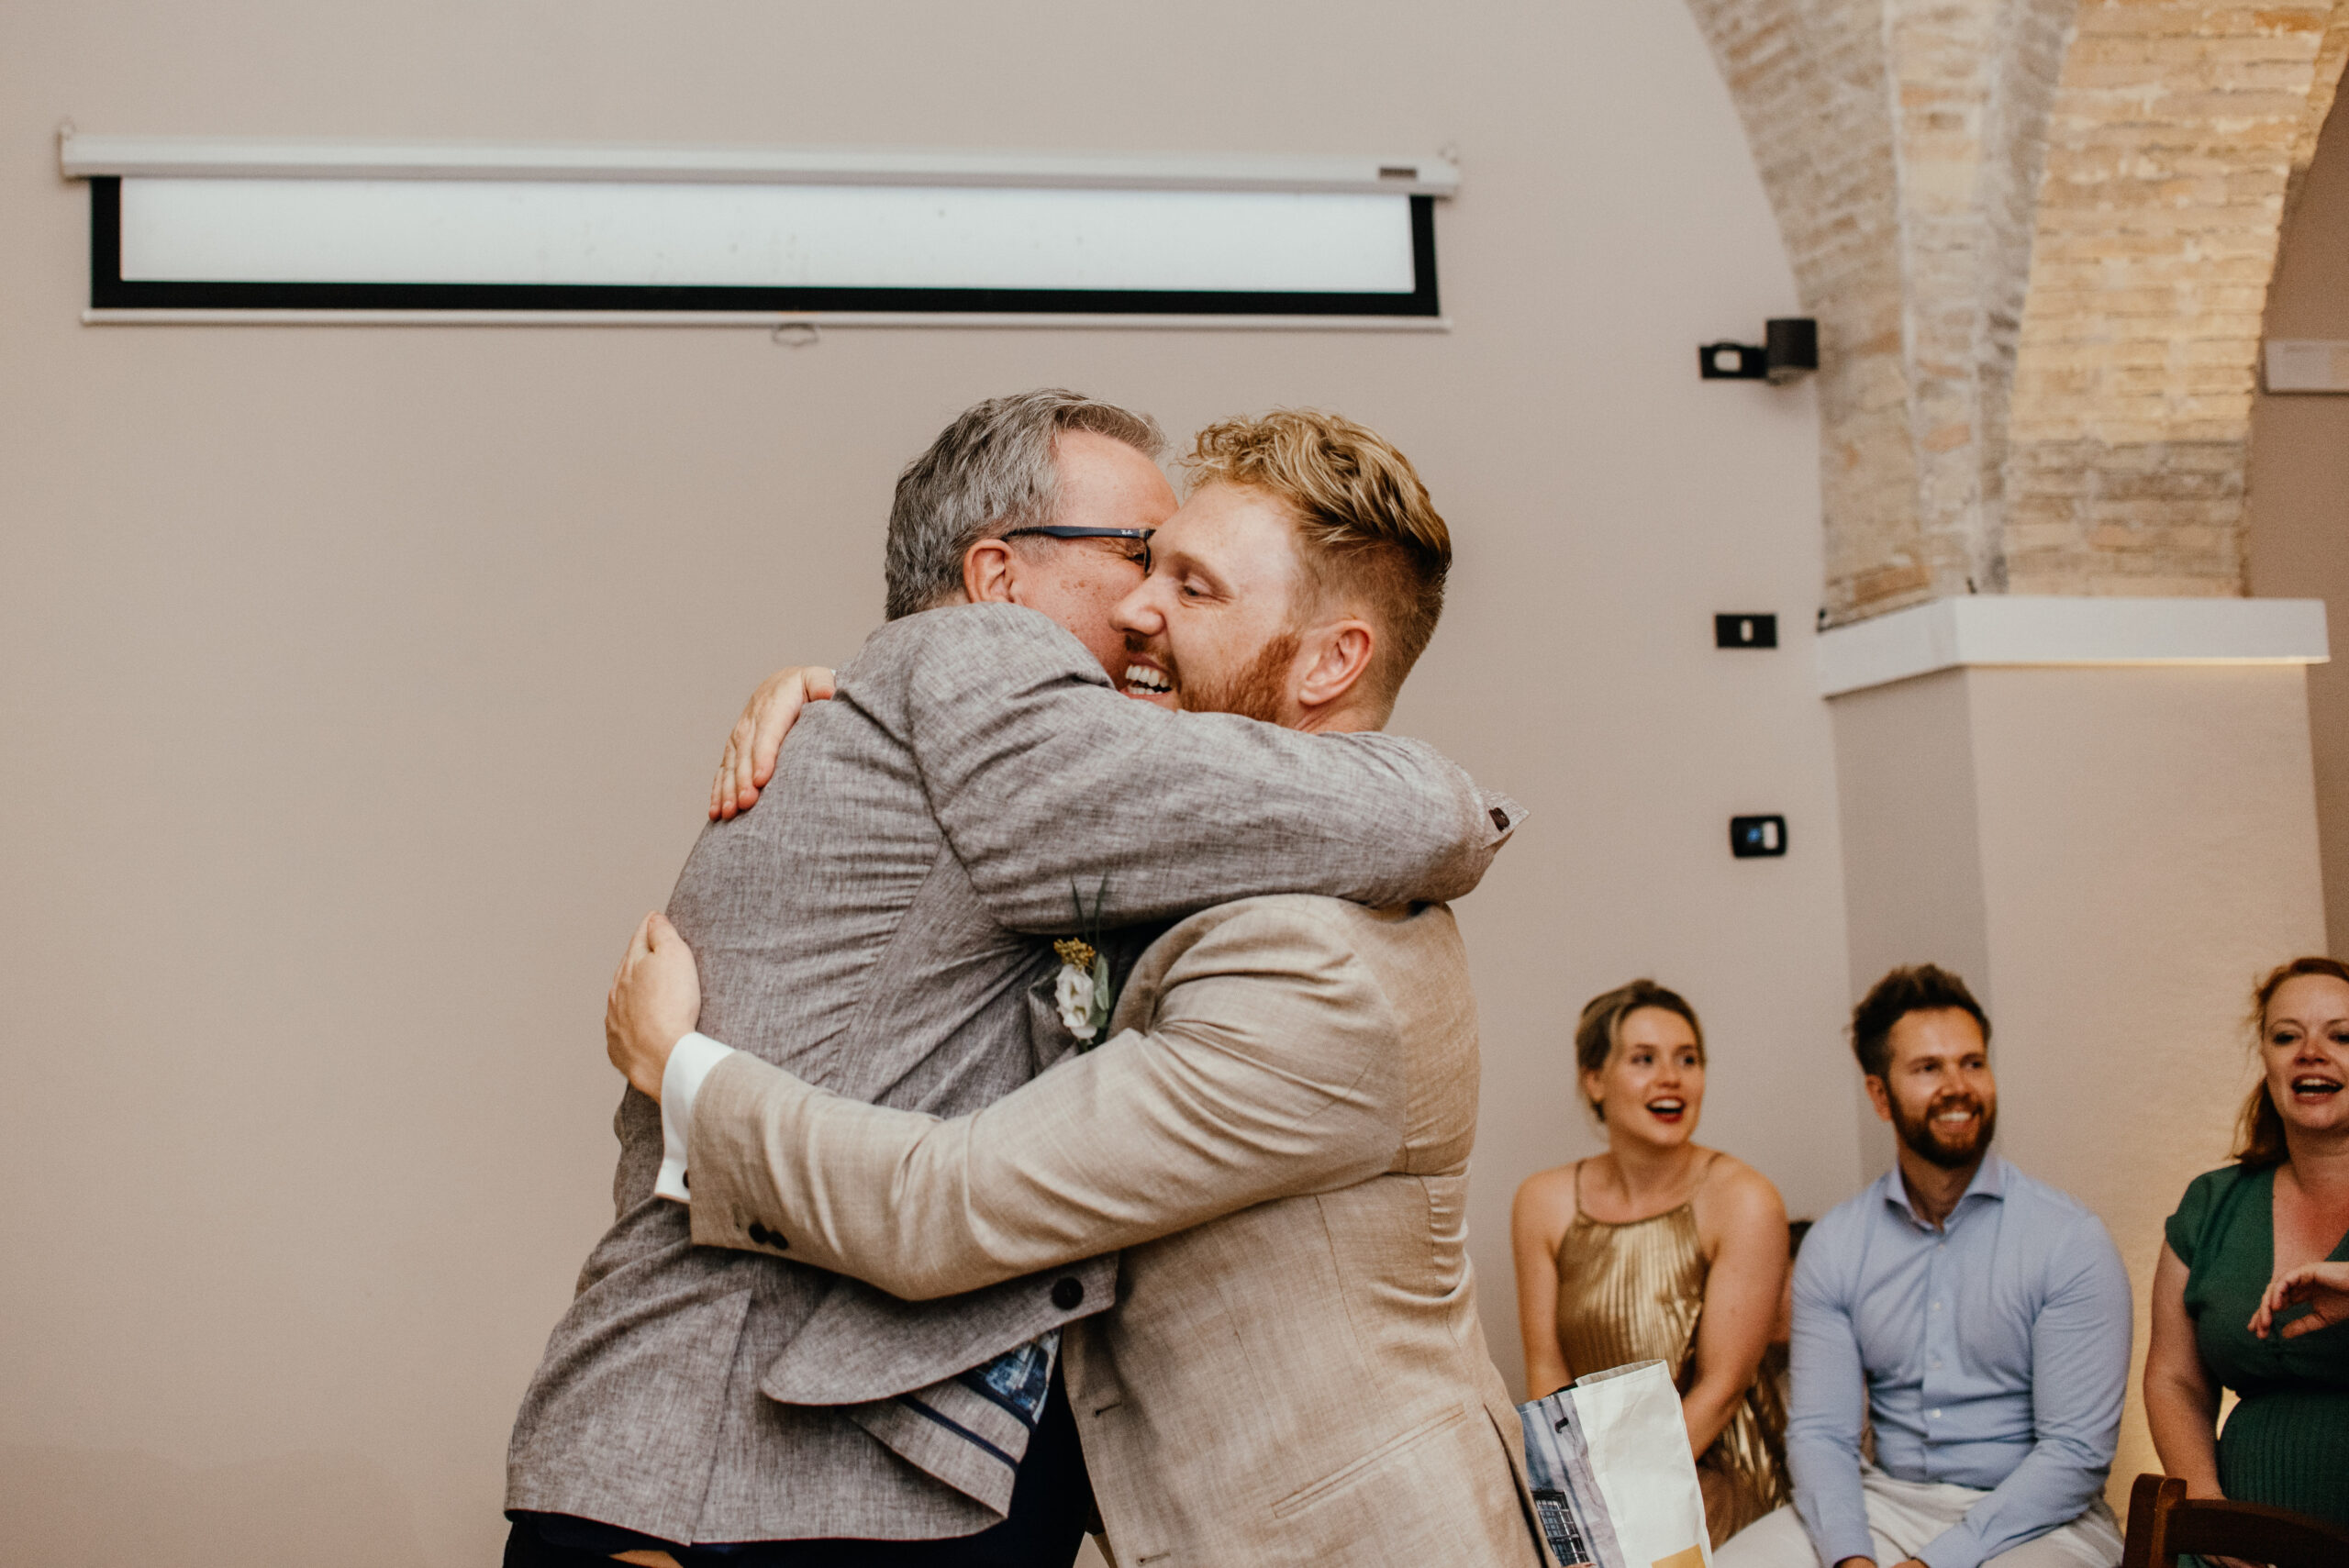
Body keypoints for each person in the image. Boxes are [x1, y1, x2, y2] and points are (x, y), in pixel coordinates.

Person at [502, 394, 1522, 1567]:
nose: (1141, 606)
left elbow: (952, 1202)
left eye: (1185, 580)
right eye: (1136, 555)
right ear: (992, 581)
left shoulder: (1305, 948)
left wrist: (682, 1068)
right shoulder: (984, 682)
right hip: (718, 1474)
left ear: (1336, 656)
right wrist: (881, 686)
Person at [1715, 964, 2132, 1568]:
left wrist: (1936, 1562)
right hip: (1885, 1505)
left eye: (1973, 1063)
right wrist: (1851, 1556)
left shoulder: (2070, 1241)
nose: (1958, 1086)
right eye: (1928, 1068)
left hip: (2038, 1523)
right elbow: (1822, 1435)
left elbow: (2075, 1453)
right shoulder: (1836, 1244)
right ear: (1879, 1095)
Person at [1510, 979, 1791, 1547]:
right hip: (1597, 1486)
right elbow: (1547, 1376)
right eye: (1644, 1059)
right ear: (1594, 1080)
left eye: (1688, 1059)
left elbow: (1722, 1389)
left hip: (1717, 1477)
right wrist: (1575, 1510)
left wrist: (1617, 1507)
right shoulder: (1542, 1202)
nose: (1671, 1078)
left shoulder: (1745, 1199)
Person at [2144, 955, 2349, 1532]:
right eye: (2287, 1036)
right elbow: (2175, 1379)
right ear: (2265, 1058)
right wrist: (2208, 1512)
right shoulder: (2211, 1204)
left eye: (2342, 1036)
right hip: (2232, 1539)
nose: (2311, 1052)